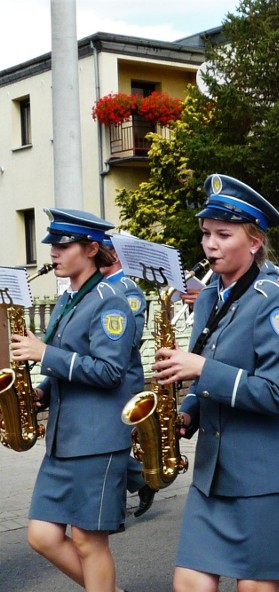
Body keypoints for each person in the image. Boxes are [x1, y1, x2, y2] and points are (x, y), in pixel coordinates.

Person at [151, 174, 279, 591]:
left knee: (253, 587)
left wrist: (201, 371)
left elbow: (276, 394)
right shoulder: (208, 297)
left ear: (254, 242)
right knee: (188, 583)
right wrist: (188, 414)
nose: (210, 244)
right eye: (207, 233)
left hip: (265, 475)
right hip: (214, 473)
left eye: (224, 234)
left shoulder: (275, 302)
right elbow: (205, 371)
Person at [11, 208, 135, 592]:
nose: (53, 252)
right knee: (42, 536)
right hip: (65, 440)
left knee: (87, 540)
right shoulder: (68, 299)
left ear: (91, 248)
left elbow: (109, 371)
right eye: (52, 244)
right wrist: (40, 392)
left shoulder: (110, 300)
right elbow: (67, 363)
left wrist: (43, 354)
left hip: (97, 440)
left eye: (63, 245)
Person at [100, 235, 157, 519]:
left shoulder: (127, 289)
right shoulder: (96, 289)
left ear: (116, 256)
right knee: (106, 442)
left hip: (123, 378)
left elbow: (130, 338)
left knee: (113, 443)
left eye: (103, 252)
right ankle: (141, 481)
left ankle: (113, 511)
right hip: (101, 378)